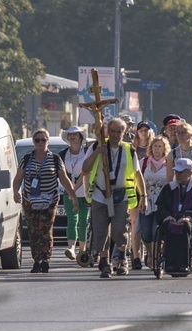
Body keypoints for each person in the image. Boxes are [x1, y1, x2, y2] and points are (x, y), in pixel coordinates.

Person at [83, 118, 147, 278]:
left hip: (120, 195)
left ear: (124, 133)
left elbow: (138, 175)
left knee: (119, 228)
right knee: (100, 230)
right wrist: (98, 152)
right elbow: (85, 169)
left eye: (119, 132)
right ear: (107, 132)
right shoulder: (97, 146)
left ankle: (121, 258)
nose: (116, 135)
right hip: (100, 195)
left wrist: (143, 196)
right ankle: (104, 261)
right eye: (113, 131)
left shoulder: (129, 150)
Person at [12, 129, 78, 273]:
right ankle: (37, 260)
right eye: (37, 140)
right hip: (30, 201)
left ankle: (45, 259)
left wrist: (73, 196)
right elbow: (18, 178)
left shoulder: (55, 159)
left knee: (46, 230)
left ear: (47, 141)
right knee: (33, 231)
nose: (40, 143)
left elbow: (64, 179)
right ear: (34, 142)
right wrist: (15, 192)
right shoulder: (27, 159)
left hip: (50, 201)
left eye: (43, 140)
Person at [155, 158, 192, 274]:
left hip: (191, 222)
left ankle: (184, 263)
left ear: (190, 173)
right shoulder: (169, 188)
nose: (178, 175)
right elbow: (161, 207)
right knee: (168, 225)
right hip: (172, 218)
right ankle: (170, 263)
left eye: (181, 172)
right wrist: (167, 216)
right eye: (177, 172)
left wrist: (190, 217)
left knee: (185, 225)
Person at [58, 126, 90, 261]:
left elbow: (87, 172)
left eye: (75, 135)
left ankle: (82, 250)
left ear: (81, 137)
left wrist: (75, 189)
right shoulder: (63, 154)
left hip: (85, 192)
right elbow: (60, 174)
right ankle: (71, 248)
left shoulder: (87, 153)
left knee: (84, 221)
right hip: (69, 192)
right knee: (72, 219)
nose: (72, 137)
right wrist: (70, 190)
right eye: (70, 135)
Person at [138, 135, 170, 268]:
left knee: (155, 231)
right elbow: (138, 180)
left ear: (164, 149)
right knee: (145, 233)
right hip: (146, 200)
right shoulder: (144, 162)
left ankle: (157, 256)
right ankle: (151, 254)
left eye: (160, 146)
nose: (157, 149)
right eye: (155, 146)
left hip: (161, 203)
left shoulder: (168, 163)